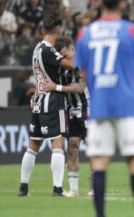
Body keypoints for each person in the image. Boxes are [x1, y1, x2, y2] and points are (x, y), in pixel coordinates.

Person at [75, 0, 134, 217]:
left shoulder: (85, 34)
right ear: (123, 5)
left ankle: (100, 216)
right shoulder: (133, 31)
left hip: (100, 105)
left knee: (99, 161)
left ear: (99, 4)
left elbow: (84, 73)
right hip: (128, 105)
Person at [18, 14, 74, 197]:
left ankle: (23, 187)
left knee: (33, 145)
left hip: (39, 99)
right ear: (58, 31)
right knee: (58, 143)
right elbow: (69, 65)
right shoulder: (49, 51)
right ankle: (58, 188)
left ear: (42, 30)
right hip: (52, 101)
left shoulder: (36, 49)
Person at [42, 36, 88, 197]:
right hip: (70, 110)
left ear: (72, 49)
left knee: (92, 145)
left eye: (65, 55)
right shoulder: (61, 66)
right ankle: (74, 190)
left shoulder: (82, 63)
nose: (64, 59)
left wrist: (57, 87)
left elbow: (80, 88)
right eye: (61, 56)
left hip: (86, 108)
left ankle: (98, 185)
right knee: (73, 147)